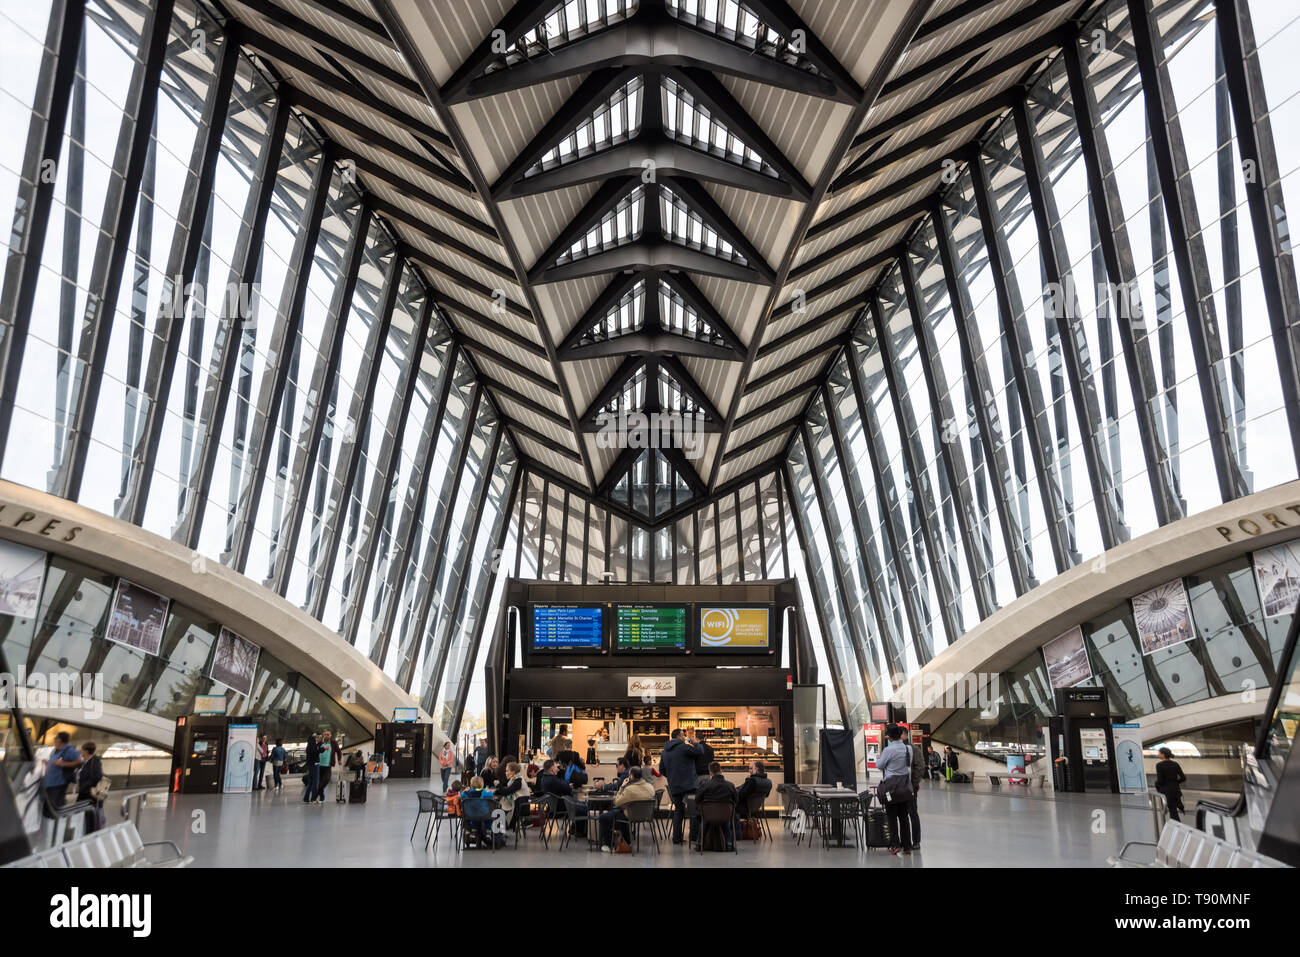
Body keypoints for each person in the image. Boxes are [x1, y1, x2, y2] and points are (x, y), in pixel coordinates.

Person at [876, 724, 915, 855]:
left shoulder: (888, 750)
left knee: (892, 817)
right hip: (904, 786)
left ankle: (895, 845)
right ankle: (907, 846)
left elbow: (880, 765)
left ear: (889, 737)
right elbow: (908, 765)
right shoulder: (908, 749)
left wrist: (878, 758)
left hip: (891, 788)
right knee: (904, 817)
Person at [658, 728, 701, 845]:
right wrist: (695, 742)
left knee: (678, 811)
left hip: (675, 785)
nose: (684, 737)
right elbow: (699, 752)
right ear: (678, 736)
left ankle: (676, 838)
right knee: (694, 811)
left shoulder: (665, 751)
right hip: (689, 784)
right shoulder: (684, 746)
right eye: (683, 735)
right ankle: (693, 837)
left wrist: (672, 776)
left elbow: (661, 769)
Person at [598, 766, 655, 852]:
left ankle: (608, 844)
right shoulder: (650, 787)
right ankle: (627, 841)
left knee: (604, 817)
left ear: (631, 776)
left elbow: (616, 802)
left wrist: (622, 786)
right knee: (620, 813)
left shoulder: (630, 789)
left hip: (631, 815)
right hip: (647, 815)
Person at [696, 762, 738, 851]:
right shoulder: (730, 785)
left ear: (710, 772)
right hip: (726, 816)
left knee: (703, 820)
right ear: (721, 771)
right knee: (726, 821)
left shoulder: (705, 785)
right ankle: (729, 844)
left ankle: (699, 844)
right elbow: (736, 800)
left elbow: (697, 799)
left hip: (708, 816)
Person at [43, 732, 82, 821]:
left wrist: (63, 763)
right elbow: (55, 763)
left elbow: (80, 762)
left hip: (58, 784)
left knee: (55, 808)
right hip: (50, 783)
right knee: (48, 808)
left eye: (55, 738)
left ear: (59, 740)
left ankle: (56, 826)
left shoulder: (69, 750)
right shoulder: (58, 750)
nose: (54, 740)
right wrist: (48, 763)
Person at [75, 742, 104, 834]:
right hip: (84, 793)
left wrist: (86, 785)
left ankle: (88, 834)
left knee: (89, 817)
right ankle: (83, 833)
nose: (81, 752)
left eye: (82, 750)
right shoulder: (86, 762)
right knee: (82, 814)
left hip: (89, 795)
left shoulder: (95, 761)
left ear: (86, 751)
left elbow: (98, 776)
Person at [1154, 747, 1187, 821]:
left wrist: (1156, 784)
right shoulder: (1175, 764)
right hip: (1175, 790)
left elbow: (1160, 780)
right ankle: (1176, 825)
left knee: (1173, 811)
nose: (1158, 754)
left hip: (1166, 791)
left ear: (1163, 754)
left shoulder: (1159, 765)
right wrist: (1175, 782)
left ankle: (1177, 827)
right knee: (1173, 810)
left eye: (1159, 753)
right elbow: (1183, 778)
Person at [495, 762, 531, 829]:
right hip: (517, 804)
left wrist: (498, 785)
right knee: (498, 809)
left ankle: (499, 832)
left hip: (520, 807)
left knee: (497, 810)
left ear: (513, 772)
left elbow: (507, 792)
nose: (505, 773)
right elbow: (507, 790)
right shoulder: (515, 779)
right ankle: (500, 830)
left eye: (507, 771)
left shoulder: (518, 781)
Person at [908, 734, 925, 850]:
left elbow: (920, 767)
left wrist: (914, 784)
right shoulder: (894, 749)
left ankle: (916, 841)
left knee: (913, 813)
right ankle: (905, 841)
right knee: (903, 815)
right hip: (898, 788)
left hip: (910, 788)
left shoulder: (914, 749)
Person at [316, 731, 337, 804]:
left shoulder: (333, 743)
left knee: (326, 780)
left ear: (330, 735)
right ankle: (321, 797)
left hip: (328, 765)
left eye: (328, 734)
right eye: (325, 734)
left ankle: (317, 792)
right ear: (323, 735)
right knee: (320, 781)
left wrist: (340, 759)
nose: (326, 736)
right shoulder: (320, 743)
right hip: (320, 765)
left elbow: (338, 751)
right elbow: (316, 751)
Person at [302, 733, 321, 803]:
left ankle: (306, 798)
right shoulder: (313, 744)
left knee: (311, 782)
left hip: (310, 765)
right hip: (314, 765)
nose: (319, 739)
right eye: (319, 737)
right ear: (316, 737)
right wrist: (322, 749)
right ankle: (313, 798)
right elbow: (315, 753)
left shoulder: (309, 743)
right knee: (315, 782)